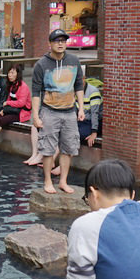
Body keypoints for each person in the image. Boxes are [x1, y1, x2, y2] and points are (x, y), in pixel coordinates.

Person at [31, 29, 85, 194]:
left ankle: (63, 181)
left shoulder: (74, 61)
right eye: (57, 41)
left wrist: (81, 108)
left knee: (68, 148)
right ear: (50, 43)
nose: (61, 43)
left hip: (69, 111)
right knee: (47, 149)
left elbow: (78, 86)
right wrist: (35, 116)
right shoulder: (41, 64)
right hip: (50, 111)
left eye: (63, 40)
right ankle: (48, 181)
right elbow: (35, 92)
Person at [78, 77, 103, 147]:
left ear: (83, 79)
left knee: (76, 134)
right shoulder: (75, 91)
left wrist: (94, 132)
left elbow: (95, 114)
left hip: (94, 121)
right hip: (83, 120)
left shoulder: (93, 92)